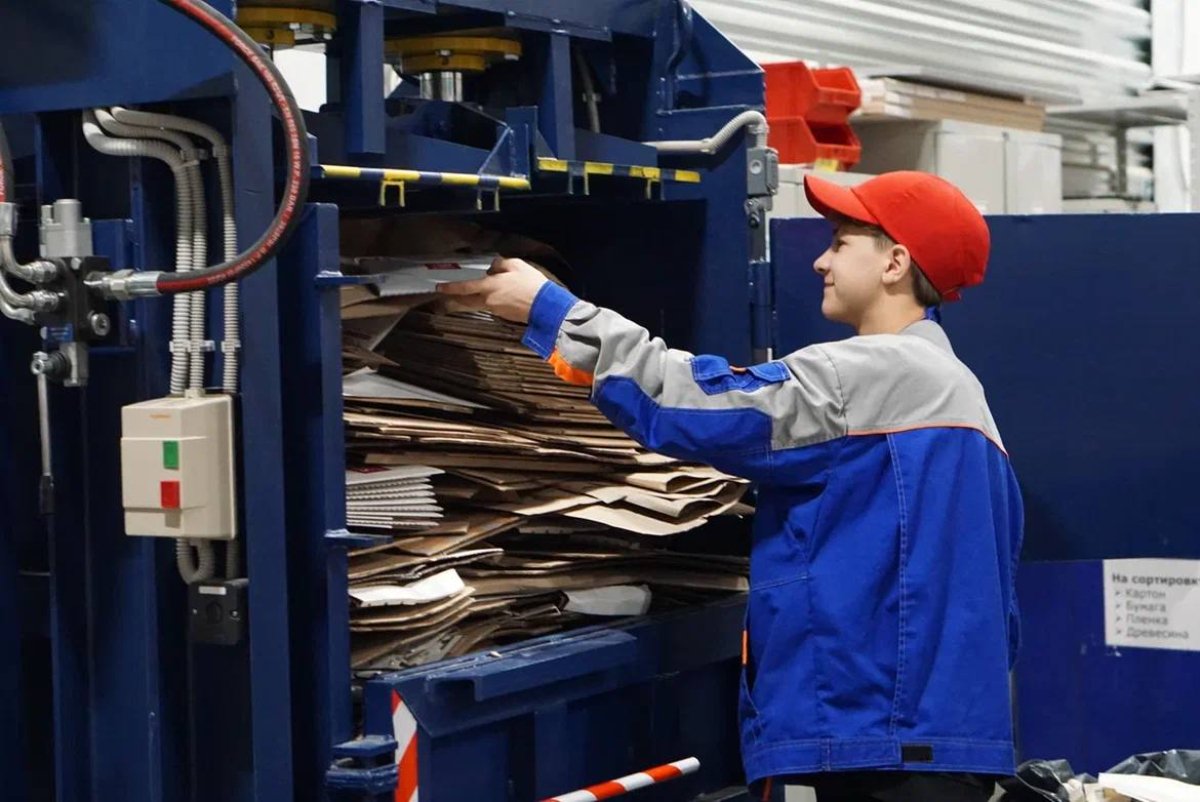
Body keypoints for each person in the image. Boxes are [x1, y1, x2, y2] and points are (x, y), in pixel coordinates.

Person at [438, 171, 1023, 802]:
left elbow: (690, 401)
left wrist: (551, 309)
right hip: (932, 740)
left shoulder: (875, 373)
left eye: (842, 241)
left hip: (886, 743)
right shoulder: (967, 403)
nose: (822, 260)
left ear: (895, 262)